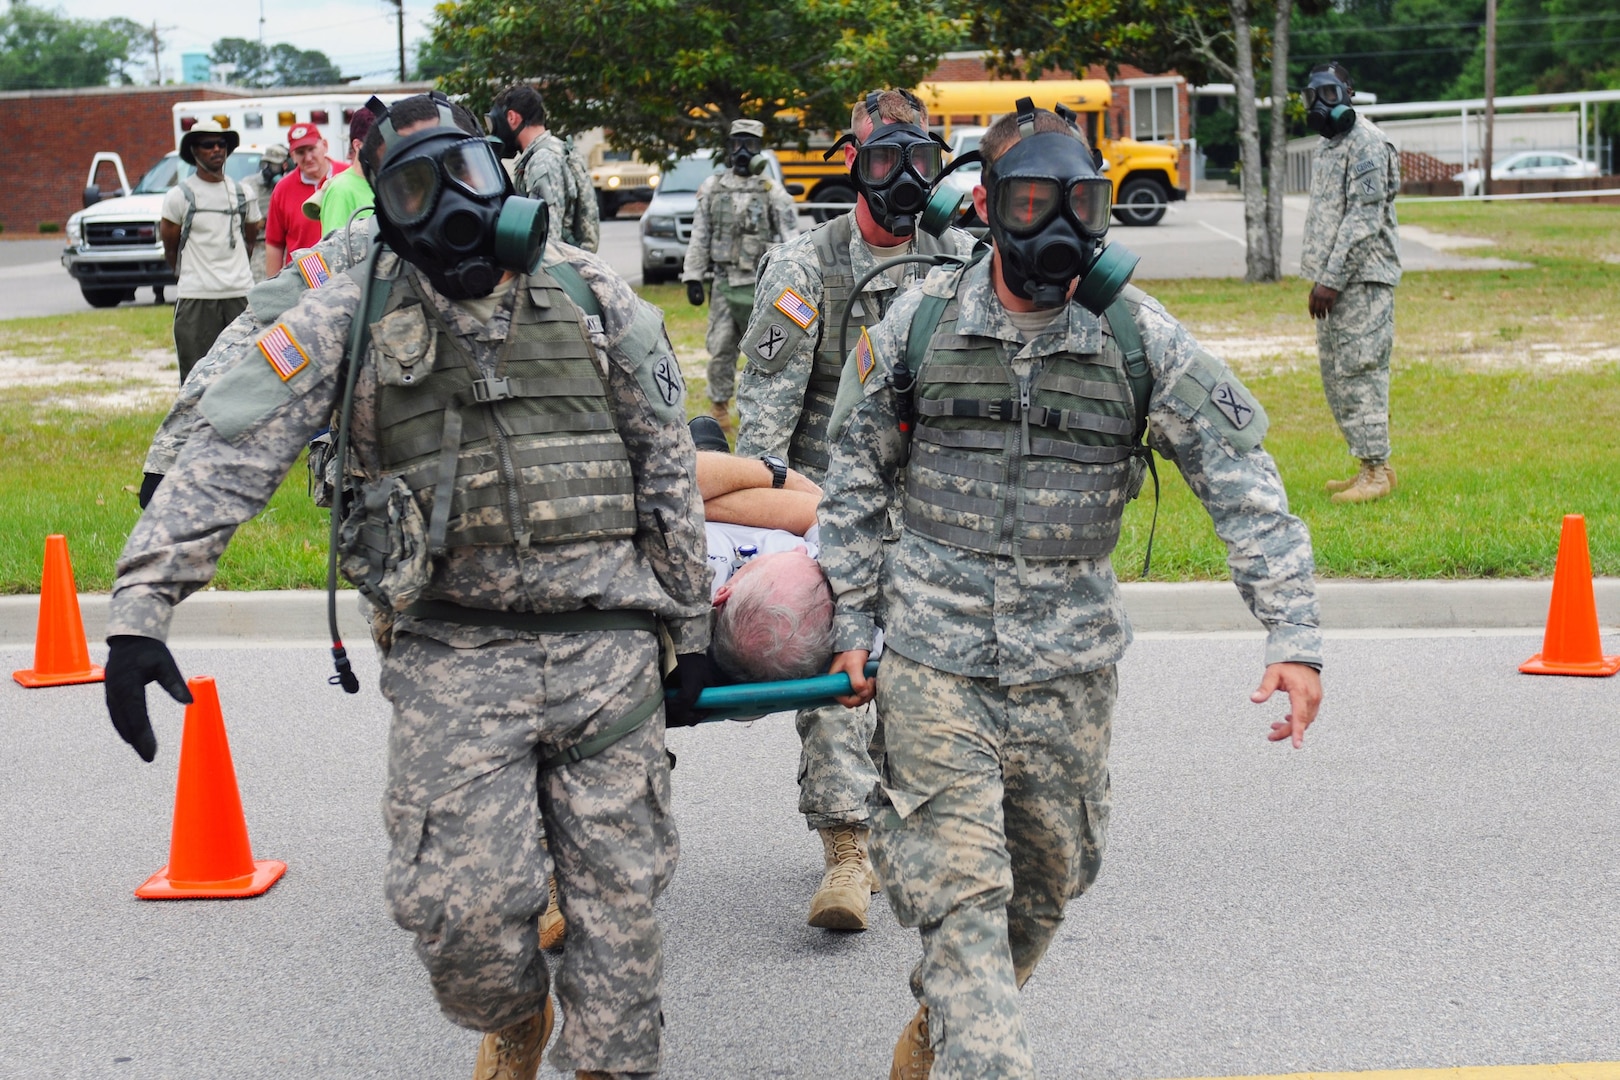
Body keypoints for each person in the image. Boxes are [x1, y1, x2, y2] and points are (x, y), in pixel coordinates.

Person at [102, 92, 714, 1080]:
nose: (452, 206)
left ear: (499, 172)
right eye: (416, 188)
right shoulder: (348, 313)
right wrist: (140, 609)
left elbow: (668, 472)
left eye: (466, 173)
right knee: (461, 930)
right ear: (384, 211)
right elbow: (231, 451)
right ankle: (514, 1014)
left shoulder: (598, 297)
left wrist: (690, 632)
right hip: (454, 650)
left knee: (623, 949)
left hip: (609, 650)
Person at [814, 102, 1324, 1079]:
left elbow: (1241, 480)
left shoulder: (1137, 339)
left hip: (1069, 673)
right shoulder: (918, 326)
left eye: (1082, 203)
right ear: (995, 208)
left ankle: (943, 1021)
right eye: (1037, 200)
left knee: (1044, 890)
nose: (1060, 224)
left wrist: (1292, 635)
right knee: (963, 907)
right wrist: (853, 621)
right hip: (934, 666)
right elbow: (852, 482)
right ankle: (977, 1041)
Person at [734, 87, 975, 933]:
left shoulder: (957, 256)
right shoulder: (807, 265)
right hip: (828, 502)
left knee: (935, 678)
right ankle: (846, 849)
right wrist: (781, 526)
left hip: (934, 503)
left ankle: (927, 831)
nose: (903, 177)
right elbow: (764, 416)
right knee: (838, 676)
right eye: (884, 157)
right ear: (854, 161)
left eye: (919, 157)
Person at [1300, 61, 1402, 504]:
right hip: (1336, 281)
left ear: (1348, 92)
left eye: (1328, 93)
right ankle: (1367, 463)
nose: (1320, 104)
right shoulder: (1330, 145)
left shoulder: (1367, 144)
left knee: (1361, 371)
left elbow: (1364, 218)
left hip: (1361, 280)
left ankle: (1376, 471)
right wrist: (1323, 277)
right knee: (1337, 375)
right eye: (1312, 96)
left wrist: (1333, 279)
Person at [682, 119, 800, 431]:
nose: (743, 151)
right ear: (729, 148)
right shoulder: (712, 188)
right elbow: (700, 235)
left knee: (766, 349)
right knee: (721, 347)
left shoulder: (772, 191)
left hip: (761, 287)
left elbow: (792, 240)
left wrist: (790, 279)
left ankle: (763, 410)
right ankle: (719, 409)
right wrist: (692, 276)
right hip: (724, 282)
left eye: (750, 144)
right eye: (737, 144)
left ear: (760, 148)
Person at [159, 120, 262, 383]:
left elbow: (250, 240)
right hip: (196, 298)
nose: (217, 149)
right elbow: (171, 248)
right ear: (194, 151)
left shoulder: (244, 193)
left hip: (239, 294)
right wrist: (191, 275)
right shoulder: (179, 196)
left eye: (222, 144)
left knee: (243, 376)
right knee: (196, 379)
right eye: (208, 144)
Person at [490, 84, 600, 252]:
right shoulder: (556, 149)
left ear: (512, 117)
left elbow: (547, 240)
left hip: (557, 268)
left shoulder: (543, 161)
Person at [264, 122, 348, 276]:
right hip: (301, 279)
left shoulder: (347, 176)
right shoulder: (282, 190)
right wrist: (273, 288)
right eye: (301, 152)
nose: (308, 157)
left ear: (324, 145)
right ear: (293, 156)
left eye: (312, 149)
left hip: (346, 274)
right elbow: (274, 244)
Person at [315, 107, 376, 234]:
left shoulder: (388, 183)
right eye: (377, 142)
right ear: (357, 145)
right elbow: (333, 250)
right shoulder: (341, 191)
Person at [243, 144, 289, 284]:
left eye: (273, 166)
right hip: (259, 247)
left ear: (285, 165)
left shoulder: (288, 185)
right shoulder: (248, 185)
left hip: (286, 247)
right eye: (265, 164)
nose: (268, 170)